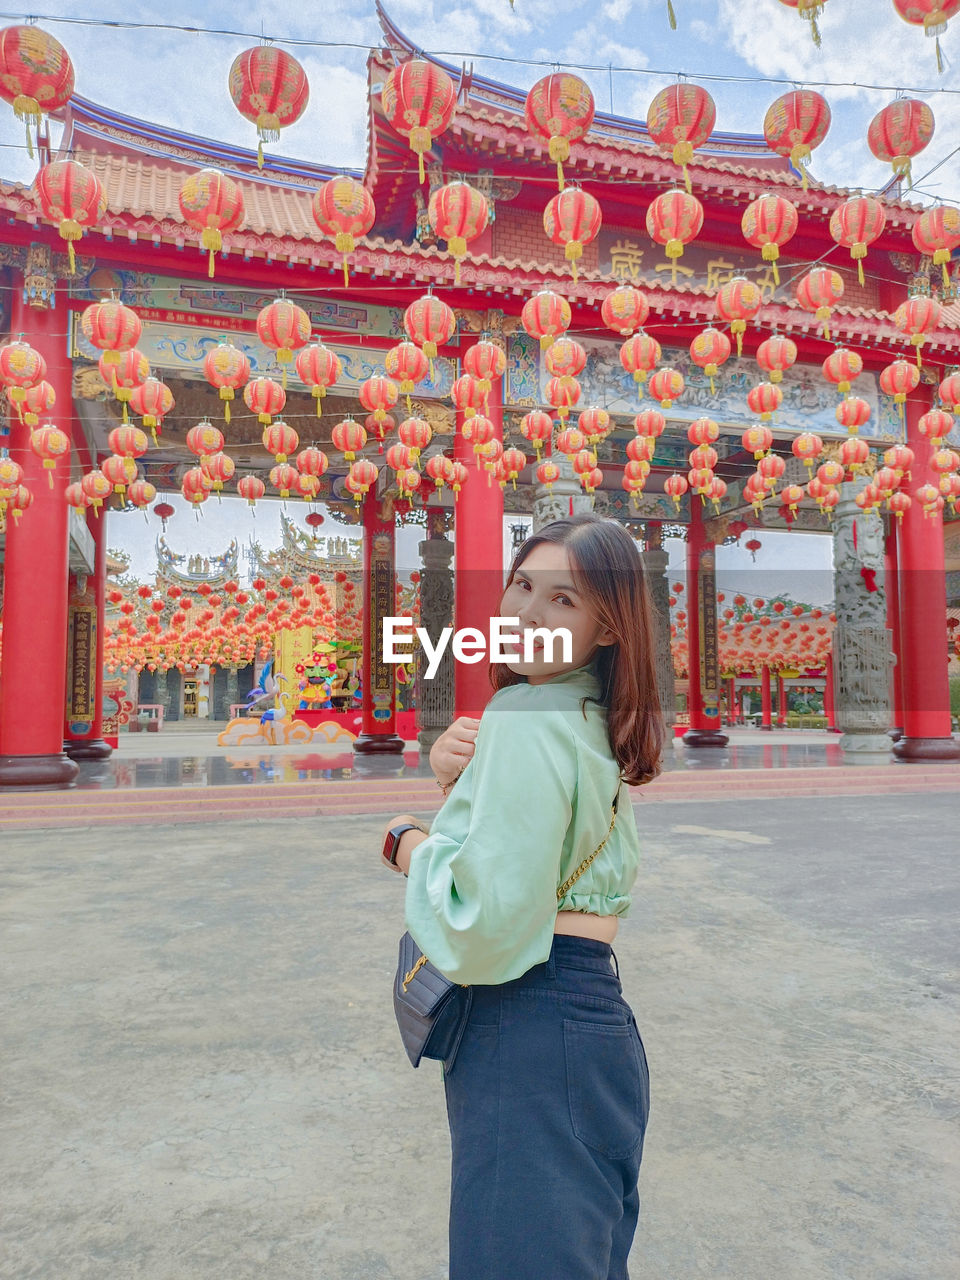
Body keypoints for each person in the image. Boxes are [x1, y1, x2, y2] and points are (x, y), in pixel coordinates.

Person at [381, 513, 665, 1280]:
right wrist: (460, 784)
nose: (526, 615)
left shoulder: (522, 717)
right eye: (520, 586)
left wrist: (410, 844)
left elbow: (483, 925)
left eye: (563, 602)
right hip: (593, 1023)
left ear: (608, 627)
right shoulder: (586, 719)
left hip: (526, 1018)